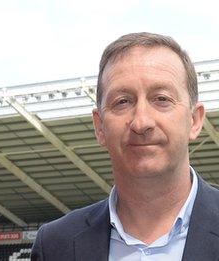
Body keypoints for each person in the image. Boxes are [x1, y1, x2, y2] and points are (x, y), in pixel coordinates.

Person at [31, 32, 219, 260]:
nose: (141, 123)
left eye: (161, 99)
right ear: (100, 127)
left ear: (195, 120)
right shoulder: (54, 245)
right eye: (122, 102)